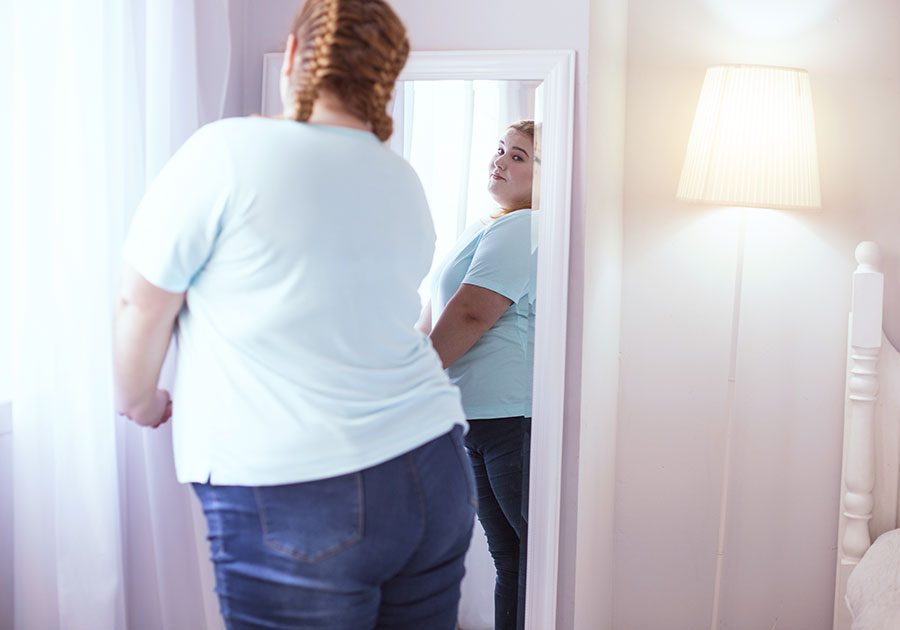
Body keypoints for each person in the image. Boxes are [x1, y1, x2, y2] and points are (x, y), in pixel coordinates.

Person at [112, 1, 475, 628]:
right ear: (383, 79)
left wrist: (139, 401)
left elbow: (142, 305)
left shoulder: (228, 151)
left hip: (301, 489)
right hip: (435, 471)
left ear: (292, 57)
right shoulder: (401, 178)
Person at [416, 120, 538, 630]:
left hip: (510, 418)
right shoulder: (489, 224)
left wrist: (407, 386)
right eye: (500, 151)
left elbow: (470, 315)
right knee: (510, 558)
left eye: (519, 157)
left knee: (531, 557)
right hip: (478, 419)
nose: (500, 162)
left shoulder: (527, 225)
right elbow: (437, 311)